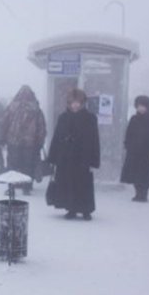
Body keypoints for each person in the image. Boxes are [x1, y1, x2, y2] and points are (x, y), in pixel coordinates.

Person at [47, 88, 100, 220]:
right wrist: (53, 157)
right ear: (69, 103)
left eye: (78, 102)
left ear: (82, 103)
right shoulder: (63, 117)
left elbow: (94, 139)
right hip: (66, 157)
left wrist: (94, 159)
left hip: (83, 157)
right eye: (72, 102)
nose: (75, 105)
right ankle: (71, 208)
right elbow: (57, 137)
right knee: (68, 183)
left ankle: (86, 210)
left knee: (84, 184)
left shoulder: (90, 118)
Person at [0, 85, 47, 194]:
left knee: (12, 165)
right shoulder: (36, 108)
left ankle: (11, 187)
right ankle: (26, 187)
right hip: (30, 142)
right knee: (27, 165)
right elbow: (41, 126)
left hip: (13, 140)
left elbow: (3, 123)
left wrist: (2, 138)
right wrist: (40, 141)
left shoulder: (12, 107)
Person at [120, 95, 149, 202]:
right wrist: (128, 144)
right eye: (139, 106)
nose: (141, 108)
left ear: (147, 106)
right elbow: (129, 133)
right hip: (134, 151)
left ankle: (143, 194)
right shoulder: (134, 119)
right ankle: (138, 193)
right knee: (134, 173)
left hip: (147, 152)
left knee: (145, 174)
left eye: (143, 106)